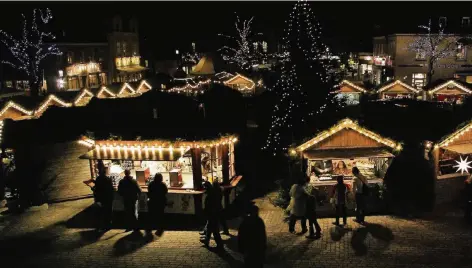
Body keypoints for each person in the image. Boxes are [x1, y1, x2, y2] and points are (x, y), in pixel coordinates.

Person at [200, 180, 223, 249]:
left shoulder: (211, 195)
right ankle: (207, 241)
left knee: (214, 231)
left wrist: (206, 212)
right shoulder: (215, 192)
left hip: (212, 214)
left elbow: (209, 205)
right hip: (215, 213)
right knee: (210, 229)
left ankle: (219, 245)